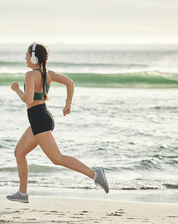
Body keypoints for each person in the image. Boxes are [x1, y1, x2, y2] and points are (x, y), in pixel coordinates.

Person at [7, 43, 109, 203]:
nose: (25, 57)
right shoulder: (49, 74)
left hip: (39, 120)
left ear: (34, 58)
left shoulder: (30, 75)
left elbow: (28, 100)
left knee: (57, 158)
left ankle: (96, 175)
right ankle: (22, 193)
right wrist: (68, 103)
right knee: (19, 152)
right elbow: (70, 83)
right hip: (40, 118)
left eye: (27, 54)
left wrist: (16, 90)